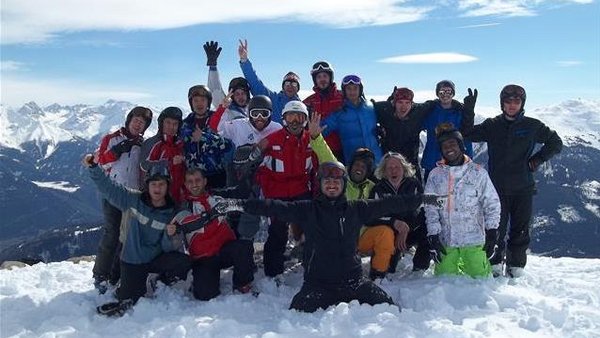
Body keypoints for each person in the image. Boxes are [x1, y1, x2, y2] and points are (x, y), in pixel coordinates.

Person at [213, 161, 442, 312]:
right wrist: (237, 204)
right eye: (327, 182)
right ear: (320, 185)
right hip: (318, 284)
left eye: (336, 182)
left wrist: (426, 199)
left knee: (389, 308)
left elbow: (392, 202)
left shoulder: (356, 208)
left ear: (342, 185)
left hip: (354, 282)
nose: (332, 185)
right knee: (297, 316)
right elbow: (271, 206)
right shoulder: (307, 209)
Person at [461, 84, 563, 277]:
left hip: (523, 187)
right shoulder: (492, 125)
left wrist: (539, 158)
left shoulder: (532, 126)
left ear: (522, 103)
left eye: (516, 101)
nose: (512, 105)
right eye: (508, 101)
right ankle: (494, 263)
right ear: (502, 103)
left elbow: (555, 142)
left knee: (520, 229)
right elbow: (467, 134)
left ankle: (516, 266)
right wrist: (468, 111)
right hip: (496, 188)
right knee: (495, 228)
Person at [83, 154, 191, 317]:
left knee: (183, 261)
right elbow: (109, 188)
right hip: (132, 261)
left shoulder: (171, 212)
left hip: (155, 260)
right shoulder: (133, 200)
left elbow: (166, 247)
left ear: (167, 186)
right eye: (153, 184)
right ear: (147, 185)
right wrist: (93, 167)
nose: (157, 188)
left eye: (161, 184)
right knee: (130, 298)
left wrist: (170, 236)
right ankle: (127, 284)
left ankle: (161, 281)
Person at [247, 100, 317, 278]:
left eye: (299, 117)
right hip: (277, 191)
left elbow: (317, 167)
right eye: (291, 117)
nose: (295, 122)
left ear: (305, 120)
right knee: (278, 230)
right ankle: (273, 271)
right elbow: (256, 163)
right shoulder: (272, 139)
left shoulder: (311, 140)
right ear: (284, 119)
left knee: (311, 226)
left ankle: (312, 263)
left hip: (301, 190)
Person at [424, 124, 501, 278]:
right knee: (444, 282)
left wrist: (492, 232)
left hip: (474, 241)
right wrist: (433, 235)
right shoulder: (435, 175)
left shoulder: (478, 173)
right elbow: (430, 208)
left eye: (452, 143)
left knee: (480, 281)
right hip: (446, 241)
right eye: (444, 145)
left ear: (461, 145)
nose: (449, 148)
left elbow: (492, 203)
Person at [93, 106, 153, 293]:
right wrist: (118, 150)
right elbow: (100, 162)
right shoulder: (112, 139)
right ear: (129, 120)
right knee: (111, 233)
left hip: (132, 195)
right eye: (136, 120)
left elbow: (143, 171)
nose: (138, 124)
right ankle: (100, 275)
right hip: (112, 192)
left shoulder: (143, 145)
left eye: (142, 122)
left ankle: (116, 274)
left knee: (126, 237)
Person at [172, 168, 255, 300]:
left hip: (224, 251)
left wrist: (248, 169)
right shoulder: (184, 206)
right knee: (205, 295)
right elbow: (188, 223)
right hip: (203, 257)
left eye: (198, 180)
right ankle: (200, 281)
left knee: (244, 247)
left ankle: (242, 284)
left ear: (205, 181)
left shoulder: (216, 198)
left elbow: (240, 192)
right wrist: (211, 214)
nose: (194, 184)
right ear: (186, 185)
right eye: (190, 181)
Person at [361, 152, 428, 279]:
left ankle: (420, 267)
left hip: (411, 231)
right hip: (390, 235)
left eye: (397, 167)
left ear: (404, 168)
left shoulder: (414, 185)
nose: (393, 171)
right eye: (389, 168)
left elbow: (422, 210)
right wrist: (394, 223)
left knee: (428, 226)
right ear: (384, 172)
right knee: (389, 269)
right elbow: (371, 217)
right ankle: (382, 270)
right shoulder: (378, 189)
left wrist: (406, 227)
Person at [373, 87, 436, 184]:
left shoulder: (418, 112)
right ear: (394, 103)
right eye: (400, 102)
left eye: (407, 103)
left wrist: (458, 105)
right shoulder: (384, 110)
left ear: (412, 104)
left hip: (410, 163)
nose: (403, 107)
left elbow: (435, 103)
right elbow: (366, 105)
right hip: (390, 163)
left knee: (416, 194)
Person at [308, 112, 376, 201]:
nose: (359, 168)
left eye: (363, 166)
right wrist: (316, 137)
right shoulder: (339, 175)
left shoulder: (372, 188)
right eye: (357, 164)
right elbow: (325, 154)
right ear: (351, 165)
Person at [421, 80, 476, 183]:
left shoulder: (461, 112)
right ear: (437, 93)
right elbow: (414, 122)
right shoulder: (430, 111)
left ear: (453, 94)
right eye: (442, 92)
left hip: (455, 164)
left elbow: (466, 135)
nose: (445, 95)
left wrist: (468, 159)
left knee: (454, 196)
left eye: (448, 92)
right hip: (433, 163)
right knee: (431, 196)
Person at [321, 74, 383, 165]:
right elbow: (321, 129)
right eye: (349, 89)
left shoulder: (371, 107)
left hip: (377, 162)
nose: (352, 92)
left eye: (355, 88)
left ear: (360, 90)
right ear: (344, 91)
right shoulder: (339, 113)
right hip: (355, 165)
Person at [181, 85, 233, 189]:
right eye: (195, 100)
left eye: (203, 100)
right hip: (193, 180)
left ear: (208, 102)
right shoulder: (184, 125)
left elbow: (229, 145)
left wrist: (206, 137)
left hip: (216, 176)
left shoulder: (219, 118)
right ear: (191, 103)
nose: (199, 104)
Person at [238, 39, 300, 124]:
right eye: (287, 83)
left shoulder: (301, 107)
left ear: (298, 88)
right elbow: (255, 83)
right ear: (283, 86)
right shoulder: (272, 98)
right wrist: (244, 61)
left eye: (294, 84)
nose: (290, 86)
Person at [203, 41, 251, 131]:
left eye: (243, 93)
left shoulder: (254, 109)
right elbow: (214, 89)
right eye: (237, 94)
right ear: (232, 96)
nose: (240, 97)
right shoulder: (227, 108)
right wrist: (212, 65)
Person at [140, 107, 186, 203]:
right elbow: (144, 166)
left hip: (179, 197)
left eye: (175, 124)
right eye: (168, 122)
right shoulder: (152, 143)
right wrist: (169, 163)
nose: (171, 127)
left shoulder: (180, 144)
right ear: (161, 123)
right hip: (157, 199)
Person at [303, 61, 344, 161]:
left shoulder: (343, 97)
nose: (322, 79)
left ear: (330, 78)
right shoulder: (308, 102)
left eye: (325, 76)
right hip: (317, 150)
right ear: (315, 80)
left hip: (342, 149)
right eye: (319, 77)